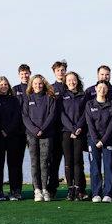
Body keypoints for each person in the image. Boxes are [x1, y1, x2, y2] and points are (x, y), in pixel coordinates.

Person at [86, 65, 112, 199]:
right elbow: (89, 123)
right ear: (95, 89)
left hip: (109, 139)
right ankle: (96, 193)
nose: (102, 89)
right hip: (93, 139)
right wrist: (96, 140)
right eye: (102, 74)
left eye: (107, 75)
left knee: (109, 166)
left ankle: (108, 193)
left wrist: (103, 140)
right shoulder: (89, 103)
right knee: (95, 167)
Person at [22, 74, 57, 202]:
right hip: (31, 135)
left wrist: (42, 129)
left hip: (46, 135)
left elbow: (52, 115)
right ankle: (37, 190)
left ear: (44, 84)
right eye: (35, 83)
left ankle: (44, 189)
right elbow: (25, 117)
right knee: (34, 163)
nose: (38, 86)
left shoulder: (50, 98)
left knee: (44, 163)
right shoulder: (28, 98)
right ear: (31, 85)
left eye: (40, 83)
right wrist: (35, 130)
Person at [0, 75, 24, 201]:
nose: (3, 86)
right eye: (1, 84)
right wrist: (1, 130)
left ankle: (15, 191)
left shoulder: (14, 100)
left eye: (5, 84)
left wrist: (8, 131)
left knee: (14, 165)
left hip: (13, 136)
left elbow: (17, 117)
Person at [61, 71, 88, 201]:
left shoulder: (84, 95)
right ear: (66, 82)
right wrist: (71, 128)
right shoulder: (63, 96)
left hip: (79, 132)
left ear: (77, 80)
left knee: (77, 161)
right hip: (66, 132)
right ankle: (70, 189)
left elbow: (85, 114)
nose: (72, 82)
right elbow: (62, 114)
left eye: (74, 79)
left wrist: (78, 128)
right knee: (68, 162)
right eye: (69, 80)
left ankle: (79, 189)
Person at [47, 60, 67, 198]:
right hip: (55, 131)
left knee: (71, 161)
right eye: (58, 70)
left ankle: (75, 188)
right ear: (54, 72)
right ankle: (52, 188)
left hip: (69, 130)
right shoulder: (51, 89)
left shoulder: (72, 85)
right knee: (53, 161)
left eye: (62, 70)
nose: (61, 72)